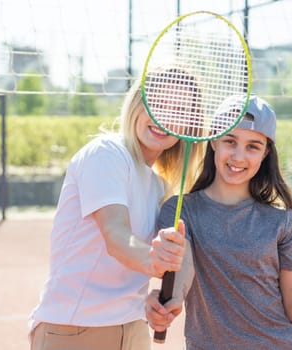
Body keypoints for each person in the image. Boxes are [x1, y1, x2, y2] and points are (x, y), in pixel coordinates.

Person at [145, 95, 292, 349]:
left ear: (265, 153)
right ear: (214, 140)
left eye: (253, 146)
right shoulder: (180, 211)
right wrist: (168, 302)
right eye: (230, 141)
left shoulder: (283, 222)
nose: (239, 156)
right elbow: (181, 273)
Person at [27, 68, 206, 350]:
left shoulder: (158, 186)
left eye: (180, 111)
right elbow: (116, 234)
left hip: (132, 329)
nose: (164, 117)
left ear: (188, 127)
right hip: (75, 329)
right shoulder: (107, 154)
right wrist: (153, 259)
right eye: (157, 103)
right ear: (137, 101)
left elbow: (132, 273)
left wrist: (150, 300)